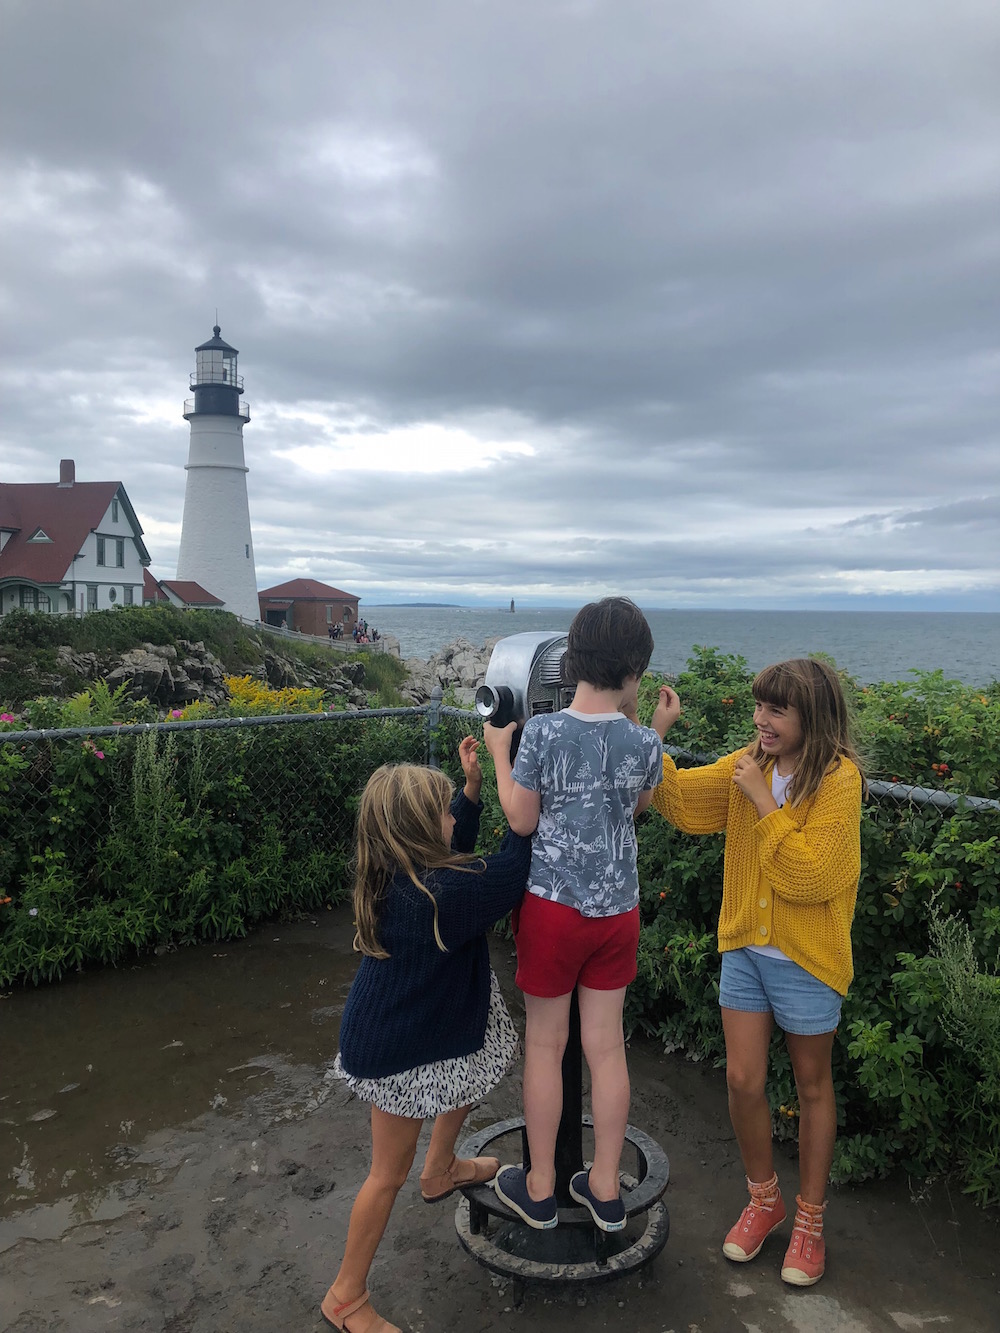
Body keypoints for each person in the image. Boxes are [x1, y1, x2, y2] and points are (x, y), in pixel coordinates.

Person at [648, 658, 863, 1287]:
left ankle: (811, 1221)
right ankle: (764, 1200)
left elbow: (810, 876)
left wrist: (762, 802)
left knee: (812, 1085)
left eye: (777, 710)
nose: (761, 720)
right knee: (743, 1080)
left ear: (811, 717)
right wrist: (655, 735)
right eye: (760, 707)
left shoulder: (839, 781)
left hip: (806, 957)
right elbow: (684, 804)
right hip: (746, 947)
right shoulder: (753, 764)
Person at [320, 739, 530, 1332]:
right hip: (400, 1049)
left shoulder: (399, 873)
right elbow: (513, 868)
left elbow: (454, 849)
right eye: (441, 811)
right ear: (419, 829)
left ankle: (440, 1170)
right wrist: (505, 763)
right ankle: (345, 1296)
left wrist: (468, 791)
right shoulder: (445, 896)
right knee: (385, 1174)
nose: (450, 820)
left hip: (429, 1023)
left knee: (476, 1060)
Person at [482, 597, 663, 1233]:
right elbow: (639, 805)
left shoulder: (545, 733)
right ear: (635, 669)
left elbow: (521, 818)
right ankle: (607, 1188)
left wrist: (498, 751)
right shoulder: (644, 742)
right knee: (606, 1049)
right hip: (618, 912)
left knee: (546, 1044)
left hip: (554, 912)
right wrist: (647, 722)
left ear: (568, 661)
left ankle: (538, 1187)